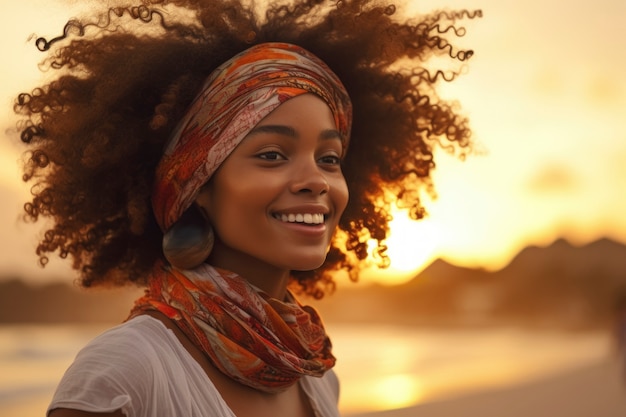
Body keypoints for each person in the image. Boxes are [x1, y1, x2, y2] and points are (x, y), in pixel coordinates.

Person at [13, 1, 480, 416]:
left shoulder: (316, 375)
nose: (316, 180)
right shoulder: (125, 376)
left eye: (329, 158)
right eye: (272, 155)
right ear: (194, 184)